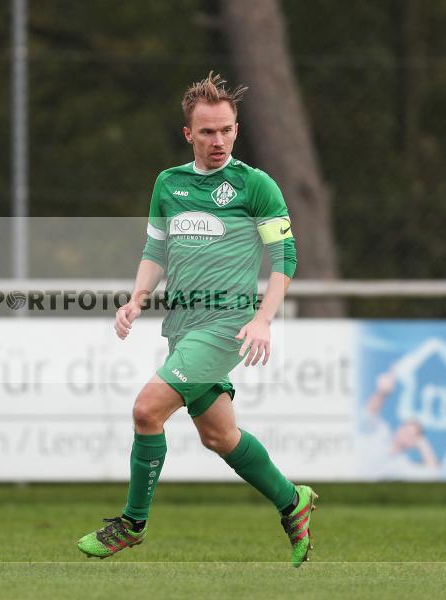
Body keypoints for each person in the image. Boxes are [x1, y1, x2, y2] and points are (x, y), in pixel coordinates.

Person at [76, 72, 318, 567]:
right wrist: (136, 298)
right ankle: (293, 502)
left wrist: (264, 319)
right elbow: (155, 249)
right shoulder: (169, 183)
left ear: (237, 128)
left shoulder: (255, 186)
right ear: (189, 134)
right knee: (219, 437)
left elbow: (285, 257)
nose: (219, 141)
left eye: (227, 129)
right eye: (207, 132)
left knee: (147, 410)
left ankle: (133, 523)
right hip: (182, 327)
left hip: (226, 325)